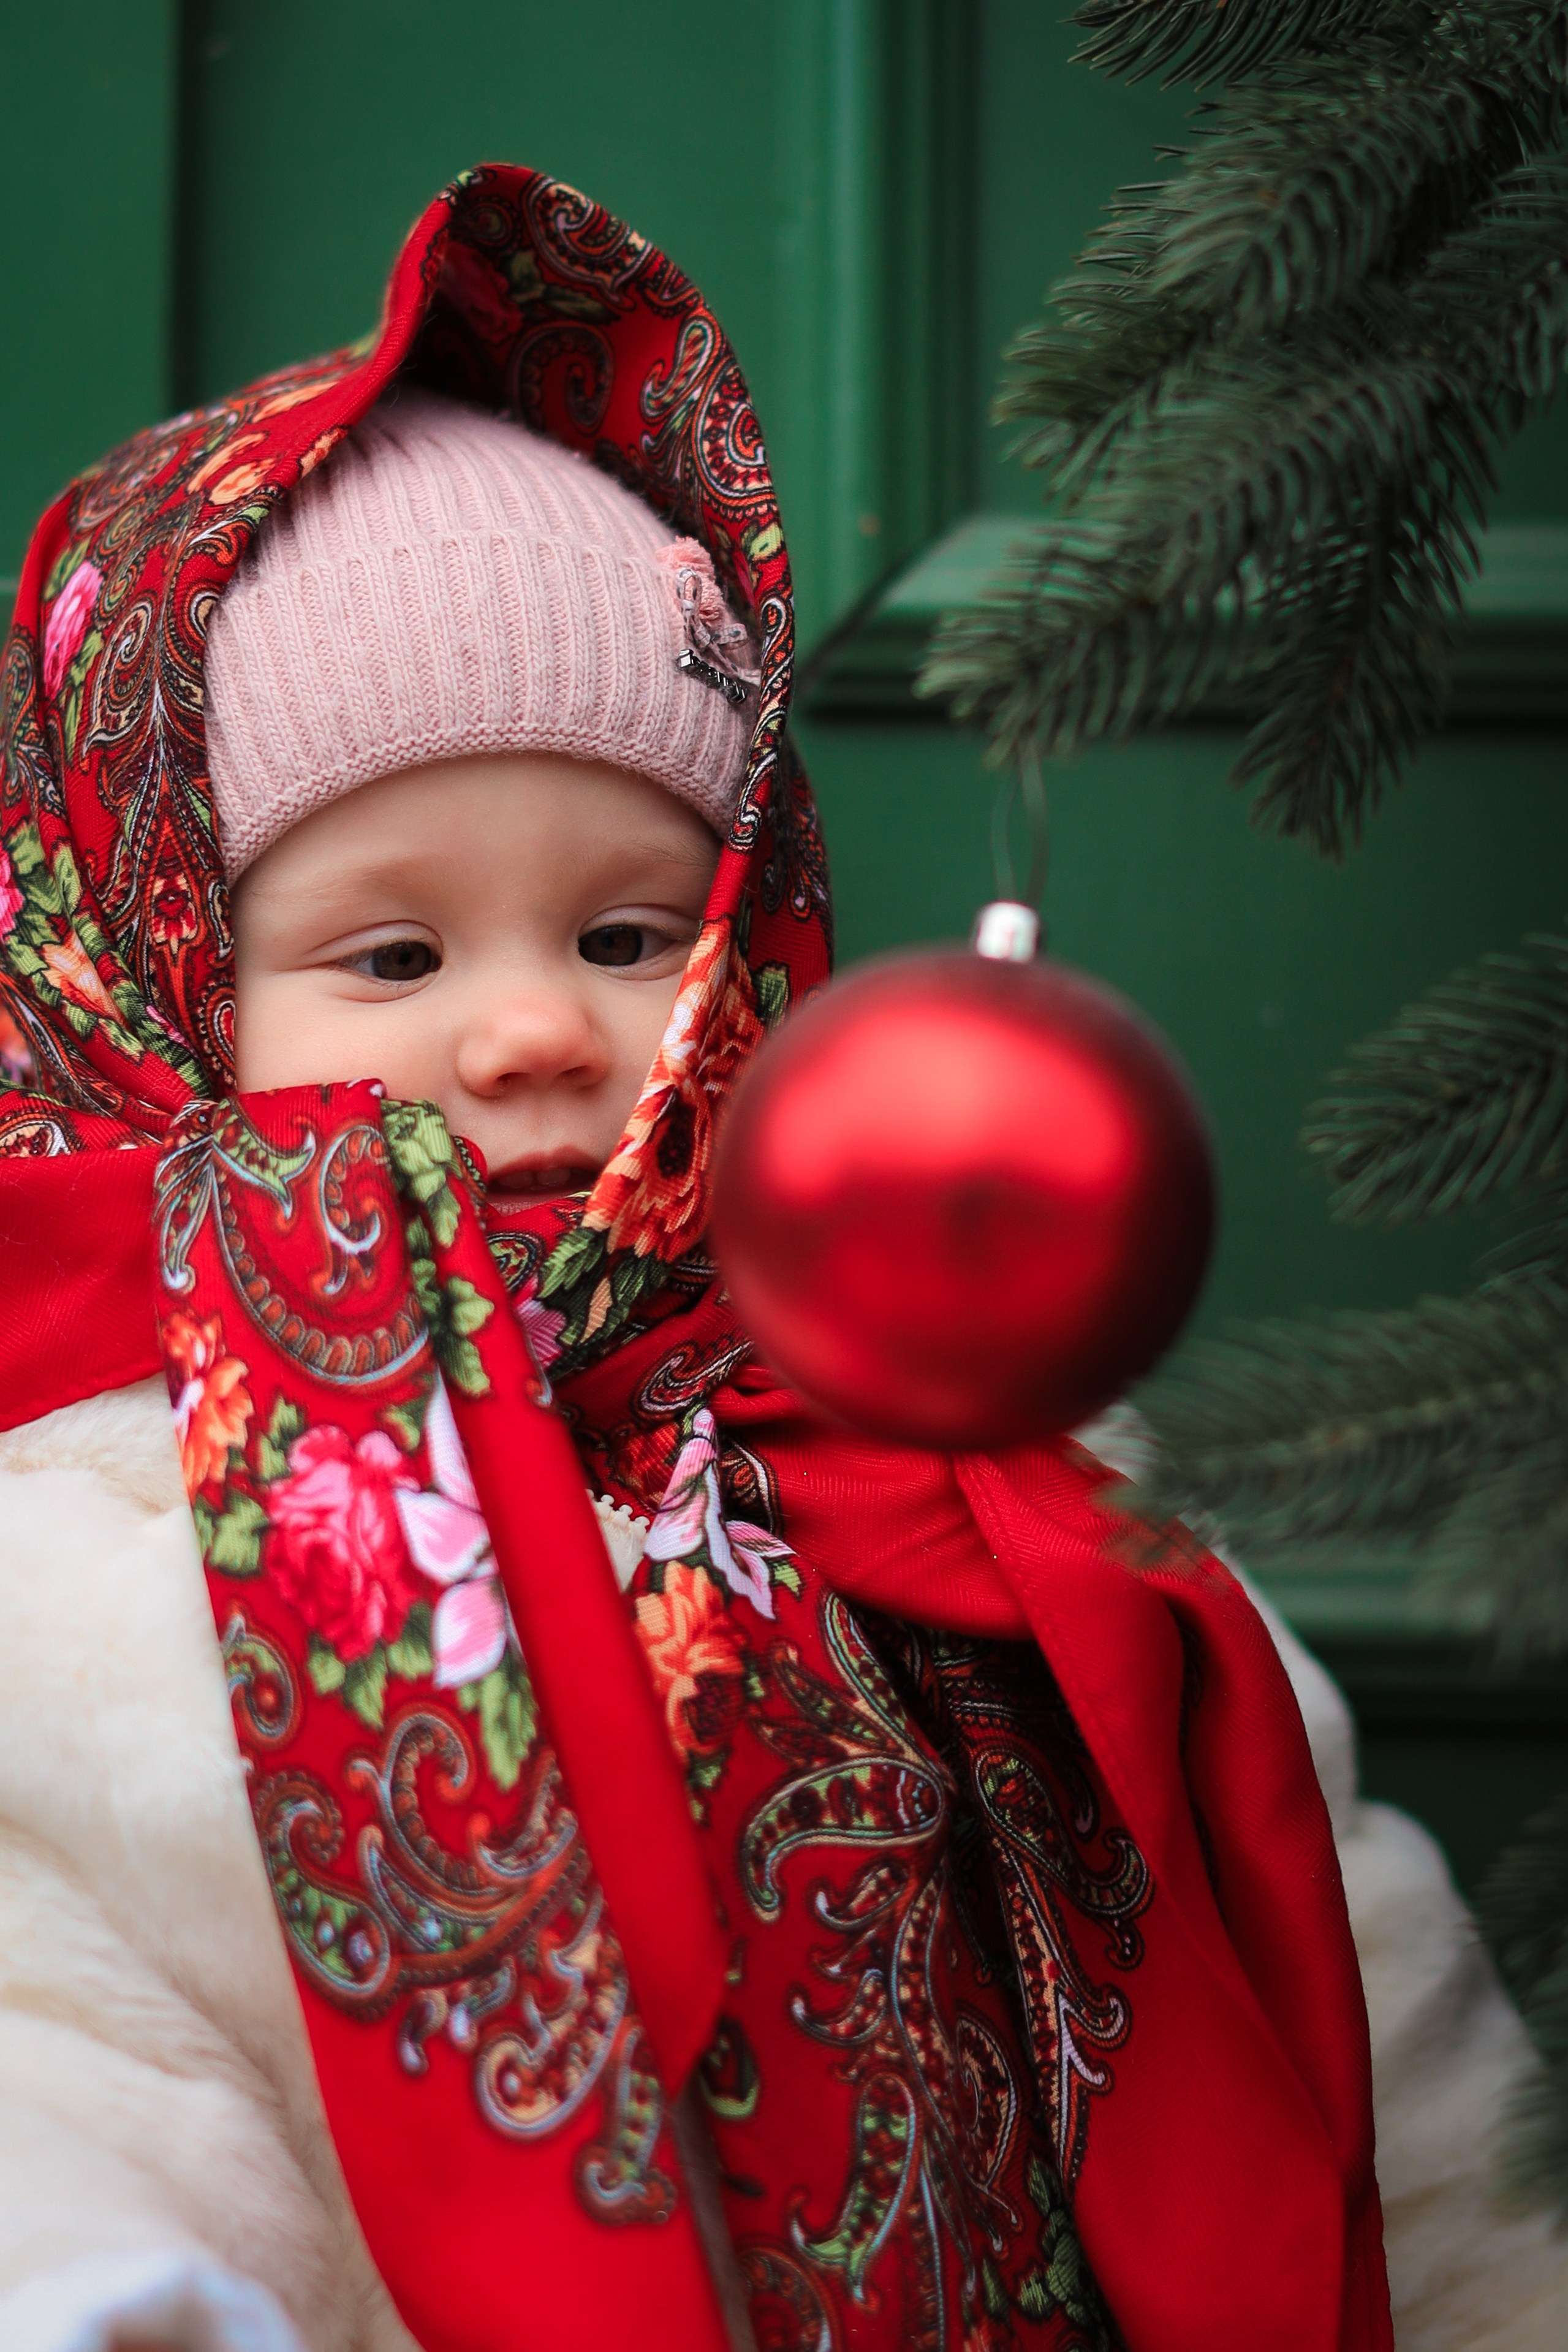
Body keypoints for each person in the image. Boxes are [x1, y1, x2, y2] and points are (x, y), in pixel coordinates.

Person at [0, 161, 1545, 2352]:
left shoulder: (948, 1458)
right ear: (153, 988)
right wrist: (94, 2289)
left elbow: (1332, 1970)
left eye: (633, 934)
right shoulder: (91, 1559)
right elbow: (54, 2046)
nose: (535, 1029)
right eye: (394, 950)